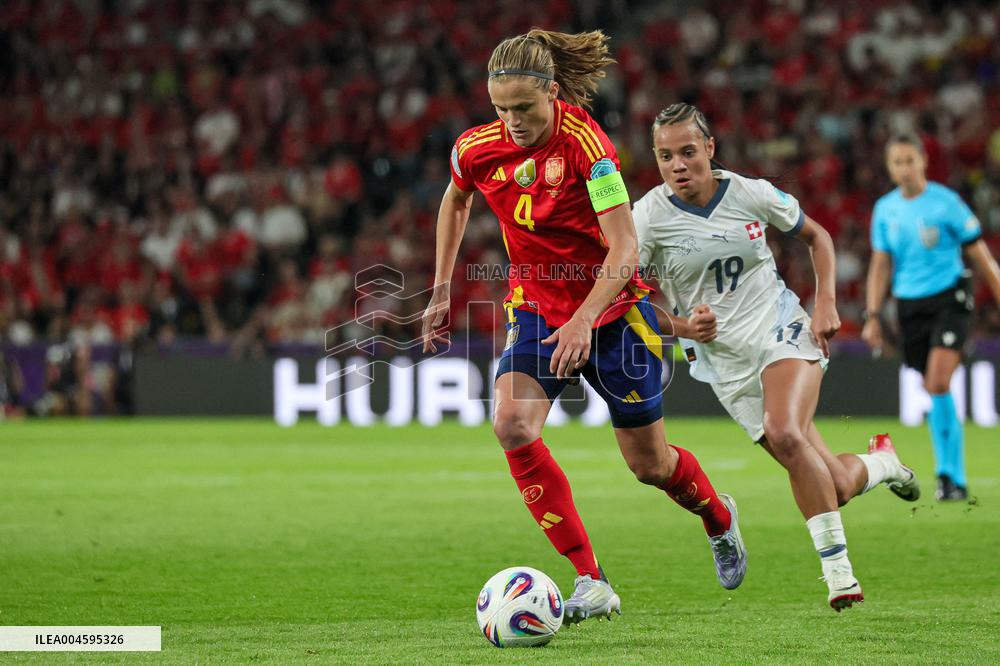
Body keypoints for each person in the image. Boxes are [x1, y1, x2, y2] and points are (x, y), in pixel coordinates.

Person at [420, 31, 747, 624]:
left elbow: (624, 246)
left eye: (524, 108)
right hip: (537, 310)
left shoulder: (588, 148)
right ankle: (591, 580)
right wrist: (441, 284)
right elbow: (456, 199)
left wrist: (584, 320)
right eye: (501, 109)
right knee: (512, 425)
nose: (513, 122)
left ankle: (718, 517)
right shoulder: (476, 148)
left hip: (615, 314)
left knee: (651, 467)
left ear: (551, 93)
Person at [632, 103, 920, 611]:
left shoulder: (751, 193)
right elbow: (627, 303)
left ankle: (839, 574)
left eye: (688, 152)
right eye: (665, 156)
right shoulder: (647, 219)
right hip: (724, 363)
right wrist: (681, 327)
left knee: (784, 431)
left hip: (779, 329)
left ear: (710, 148)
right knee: (837, 484)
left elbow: (818, 237)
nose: (678, 165)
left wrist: (825, 302)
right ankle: (884, 462)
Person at [862, 133, 1000, 501]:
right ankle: (952, 478)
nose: (904, 169)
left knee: (937, 382)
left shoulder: (946, 203)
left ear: (923, 160)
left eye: (910, 160)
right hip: (910, 305)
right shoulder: (885, 210)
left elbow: (981, 255)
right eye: (897, 162)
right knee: (933, 386)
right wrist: (872, 314)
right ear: (889, 168)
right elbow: (880, 264)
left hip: (950, 297)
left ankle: (950, 477)